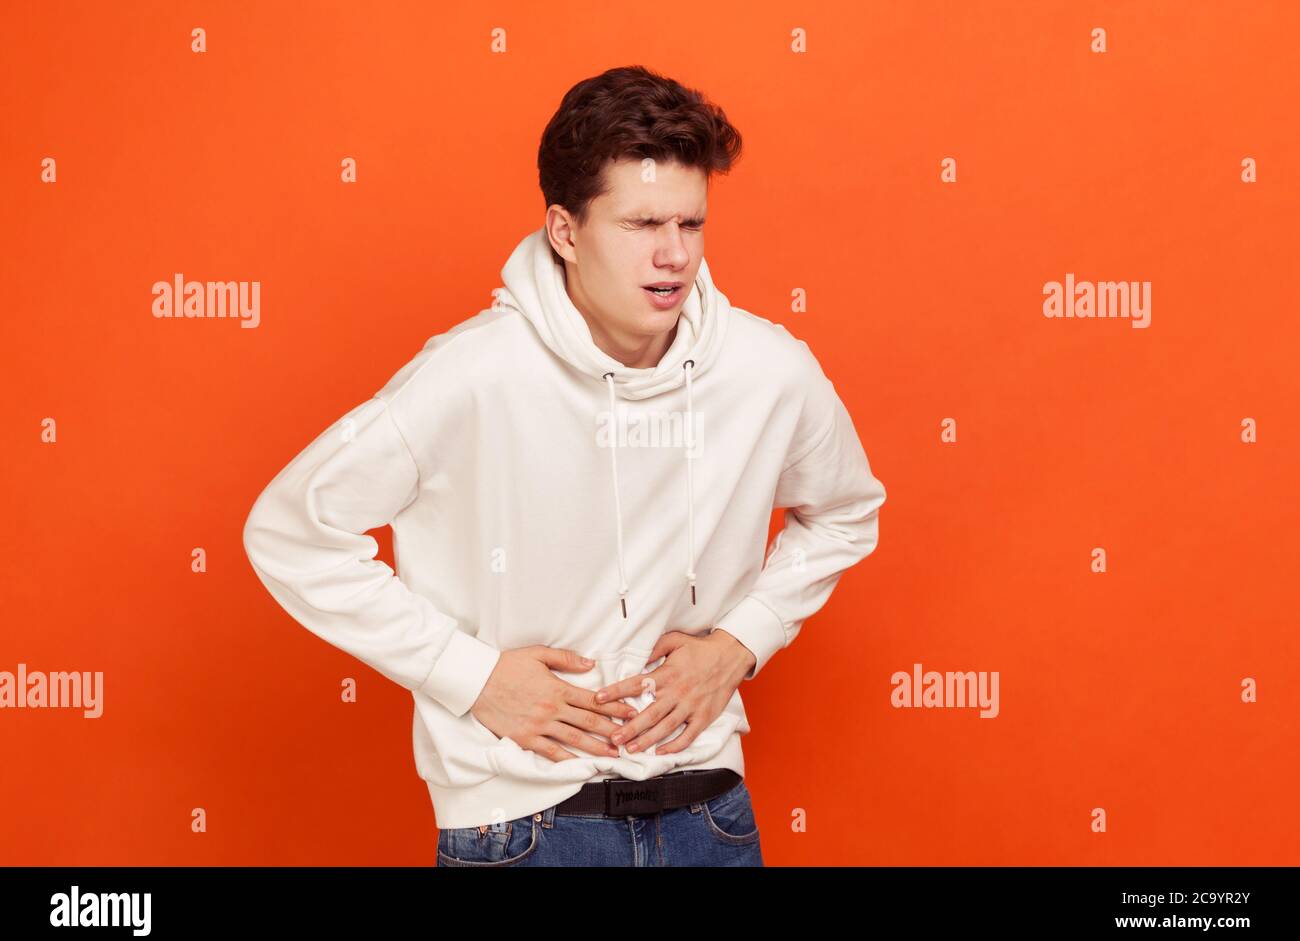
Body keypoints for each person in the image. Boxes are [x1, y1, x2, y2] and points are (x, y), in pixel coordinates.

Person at [242, 64, 887, 867]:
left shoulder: (768, 371)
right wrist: (469, 676)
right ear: (566, 232)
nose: (673, 255)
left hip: (707, 817)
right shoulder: (473, 376)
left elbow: (846, 512)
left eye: (691, 225)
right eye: (642, 223)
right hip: (522, 826)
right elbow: (291, 530)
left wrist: (743, 640)